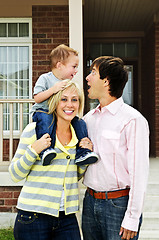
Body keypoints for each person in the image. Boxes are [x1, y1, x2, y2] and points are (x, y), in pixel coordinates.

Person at [9, 80, 93, 240]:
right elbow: (14, 174)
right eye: (64, 99)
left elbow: (73, 176)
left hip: (66, 217)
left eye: (74, 100)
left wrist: (85, 159)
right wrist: (34, 150)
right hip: (33, 216)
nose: (70, 105)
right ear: (55, 102)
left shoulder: (79, 134)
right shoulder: (34, 131)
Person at [81, 56, 149, 240]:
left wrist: (132, 218)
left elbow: (139, 174)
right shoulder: (88, 119)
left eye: (92, 72)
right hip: (89, 203)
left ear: (106, 81)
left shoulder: (132, 120)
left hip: (118, 206)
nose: (87, 78)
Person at [31, 44, 98, 166]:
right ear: (59, 65)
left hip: (59, 115)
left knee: (80, 122)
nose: (76, 70)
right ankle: (45, 150)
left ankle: (82, 152)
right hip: (43, 112)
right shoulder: (45, 78)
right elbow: (37, 98)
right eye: (74, 66)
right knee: (47, 119)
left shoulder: (68, 83)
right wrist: (53, 89)